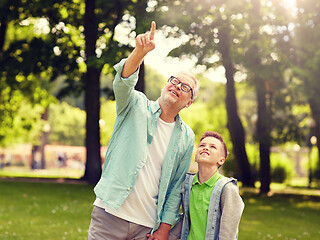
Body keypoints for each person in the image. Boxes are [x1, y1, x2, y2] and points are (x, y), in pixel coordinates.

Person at [88, 21, 199, 240]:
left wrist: (164, 228)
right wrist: (140, 52)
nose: (177, 86)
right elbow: (123, 82)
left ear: (188, 103)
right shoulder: (135, 105)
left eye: (186, 87)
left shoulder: (186, 137)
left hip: (147, 226)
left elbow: (176, 185)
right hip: (109, 216)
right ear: (165, 85)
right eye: (175, 81)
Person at [178, 131, 245, 240]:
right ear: (195, 157)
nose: (205, 148)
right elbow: (186, 219)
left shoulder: (227, 188)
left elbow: (228, 233)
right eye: (202, 145)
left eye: (213, 147)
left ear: (221, 160)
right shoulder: (188, 184)